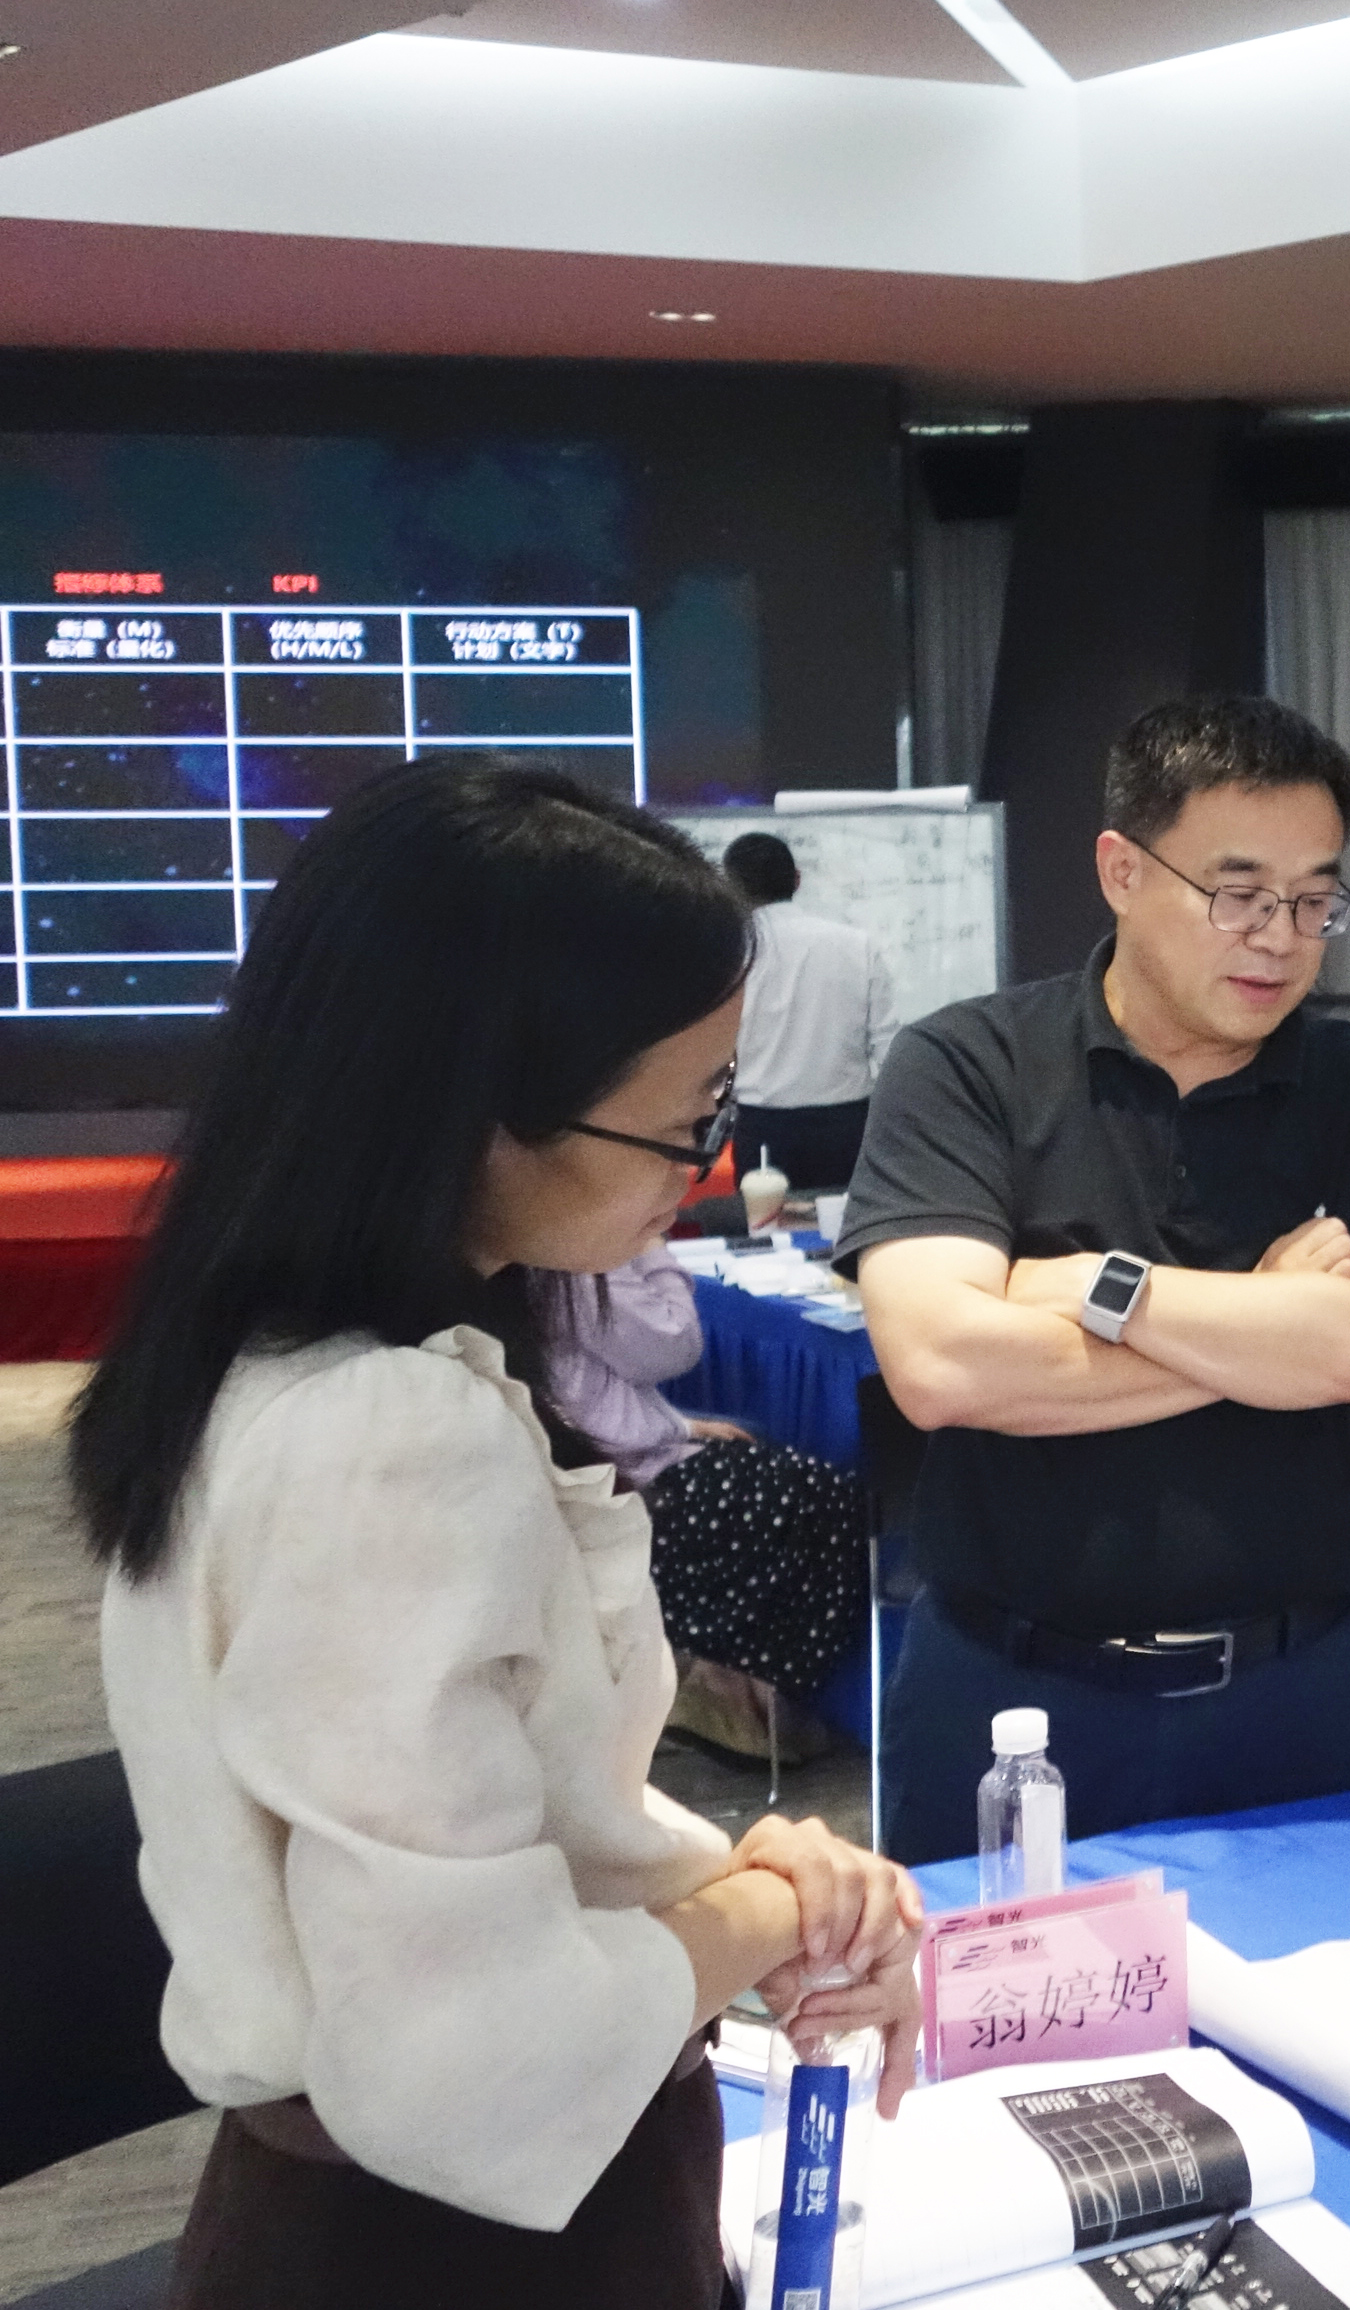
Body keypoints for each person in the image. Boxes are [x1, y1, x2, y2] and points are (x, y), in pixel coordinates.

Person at [70, 759, 917, 2309]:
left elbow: (486, 1801)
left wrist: (724, 1864)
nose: (705, 1168)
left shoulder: (258, 1361)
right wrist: (770, 1908)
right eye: (687, 1121)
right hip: (471, 2245)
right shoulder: (391, 1439)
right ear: (485, 1113)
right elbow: (469, 2057)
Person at [840, 695, 1350, 1865]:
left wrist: (1089, 1286)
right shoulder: (968, 1066)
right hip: (1016, 1704)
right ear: (1122, 871)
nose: (1280, 936)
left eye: (1314, 900)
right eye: (1238, 894)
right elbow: (943, 1367)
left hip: (1305, 1694)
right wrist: (1274, 1322)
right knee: (998, 1988)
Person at [543, 1247, 872, 1765]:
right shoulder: (580, 1262)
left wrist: (680, 1426)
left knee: (788, 1479)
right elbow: (674, 1343)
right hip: (612, 1481)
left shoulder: (556, 1259)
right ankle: (719, 1685)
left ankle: (731, 1684)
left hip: (614, 1456)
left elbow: (588, 1388)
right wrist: (650, 1249)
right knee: (820, 1504)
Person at [722, 830, 895, 1193]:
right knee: (846, 1222)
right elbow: (887, 1044)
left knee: (765, 1224)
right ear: (797, 879)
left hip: (761, 1125)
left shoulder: (730, 953)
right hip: (845, 1124)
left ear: (730, 887)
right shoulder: (856, 945)